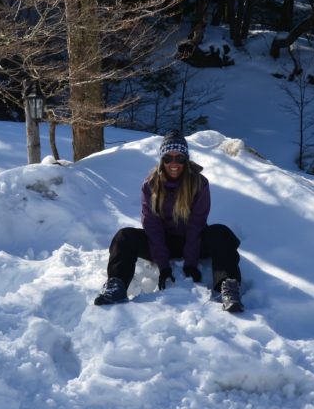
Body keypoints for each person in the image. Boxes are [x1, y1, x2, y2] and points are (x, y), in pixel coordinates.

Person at [94, 130, 244, 312]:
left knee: (222, 233)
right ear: (161, 160)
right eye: (168, 158)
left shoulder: (199, 183)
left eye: (179, 158)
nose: (174, 163)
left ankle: (226, 288)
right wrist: (163, 265)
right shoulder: (150, 185)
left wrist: (190, 262)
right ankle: (116, 286)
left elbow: (196, 224)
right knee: (124, 237)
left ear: (186, 160)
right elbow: (152, 226)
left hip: (193, 240)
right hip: (162, 242)